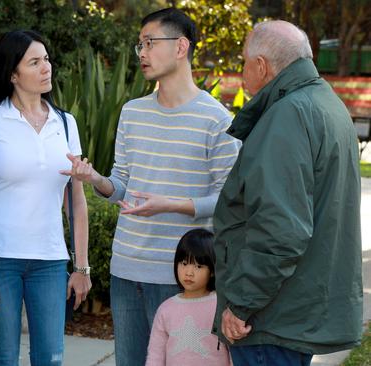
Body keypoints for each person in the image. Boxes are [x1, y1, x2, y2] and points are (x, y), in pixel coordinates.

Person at [61, 8, 240, 365]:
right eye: (138, 44)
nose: (141, 52)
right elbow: (123, 184)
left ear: (180, 47)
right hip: (126, 267)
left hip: (183, 274)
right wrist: (96, 180)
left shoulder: (216, 119)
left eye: (149, 43)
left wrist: (173, 204)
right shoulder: (132, 112)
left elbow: (230, 200)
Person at [212, 20, 362, 365]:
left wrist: (240, 305)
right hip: (296, 312)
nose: (243, 71)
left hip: (271, 319)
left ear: (261, 66)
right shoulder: (326, 103)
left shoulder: (287, 115)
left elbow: (281, 231)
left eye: (244, 62)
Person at [0, 30, 91, 366]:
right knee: (4, 357)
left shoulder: (65, 124)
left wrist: (81, 266)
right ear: (12, 73)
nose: (45, 68)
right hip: (0, 260)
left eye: (47, 59)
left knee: (50, 358)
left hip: (51, 262)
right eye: (34, 62)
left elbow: (77, 203)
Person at [145, 229, 230, 366]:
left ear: (213, 271)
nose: (189, 273)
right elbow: (155, 355)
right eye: (184, 264)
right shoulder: (166, 309)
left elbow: (233, 350)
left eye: (198, 266)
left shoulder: (221, 305)